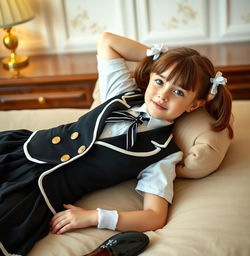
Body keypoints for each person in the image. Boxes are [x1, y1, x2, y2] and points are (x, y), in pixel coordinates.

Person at [0, 32, 233, 255]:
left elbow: (154, 216)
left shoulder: (162, 152)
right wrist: (160, 58)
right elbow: (107, 41)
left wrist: (95, 217)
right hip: (17, 149)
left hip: (38, 189)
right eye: (160, 81)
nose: (163, 95)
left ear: (194, 105)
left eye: (179, 92)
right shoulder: (121, 91)